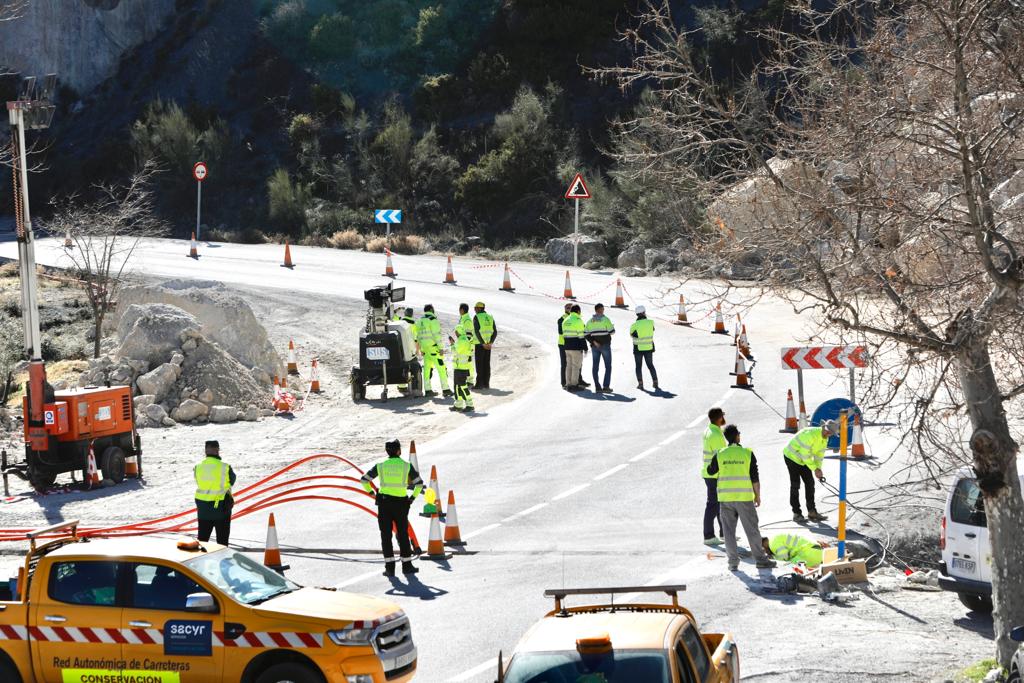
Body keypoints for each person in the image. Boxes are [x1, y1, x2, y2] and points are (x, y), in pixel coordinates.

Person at [706, 425, 776, 571]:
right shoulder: (747, 453)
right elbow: (754, 477)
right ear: (737, 436)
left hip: (726, 499)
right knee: (752, 529)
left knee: (728, 532)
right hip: (744, 498)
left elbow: (710, 471)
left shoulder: (720, 454)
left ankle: (732, 562)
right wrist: (757, 495)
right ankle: (761, 560)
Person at [360, 439, 424, 576]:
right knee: (403, 534)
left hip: (384, 503)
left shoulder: (381, 466)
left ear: (387, 451)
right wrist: (411, 498)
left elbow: (364, 480)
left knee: (386, 536)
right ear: (399, 451)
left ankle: (389, 569)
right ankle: (407, 566)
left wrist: (372, 494)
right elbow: (419, 485)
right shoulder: (406, 466)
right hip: (401, 504)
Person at [783, 420, 837, 523]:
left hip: (803, 460)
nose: (830, 435)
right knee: (795, 484)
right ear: (824, 429)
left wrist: (818, 469)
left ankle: (812, 512)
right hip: (791, 457)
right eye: (829, 433)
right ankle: (796, 513)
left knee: (810, 483)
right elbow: (804, 454)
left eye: (831, 434)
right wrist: (814, 468)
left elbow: (819, 456)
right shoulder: (810, 435)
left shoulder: (824, 439)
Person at [194, 440, 236, 546]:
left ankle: (199, 561)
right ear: (218, 450)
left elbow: (198, 481)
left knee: (203, 542)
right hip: (221, 509)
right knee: (222, 543)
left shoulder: (197, 467)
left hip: (203, 509)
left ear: (205, 451)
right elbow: (232, 481)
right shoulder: (225, 467)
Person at [701, 408, 727, 547]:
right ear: (719, 418)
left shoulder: (710, 430)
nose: (724, 418)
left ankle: (724, 533)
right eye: (722, 416)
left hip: (709, 473)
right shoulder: (716, 435)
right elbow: (720, 457)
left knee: (719, 504)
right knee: (713, 505)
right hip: (714, 475)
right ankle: (709, 535)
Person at [415, 304, 452, 398]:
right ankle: (446, 389)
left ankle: (428, 390)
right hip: (433, 348)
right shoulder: (433, 320)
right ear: (431, 310)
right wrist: (440, 348)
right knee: (441, 369)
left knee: (427, 370)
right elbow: (437, 336)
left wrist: (419, 349)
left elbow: (417, 336)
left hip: (425, 349)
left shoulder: (419, 321)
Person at [585, 303, 615, 392]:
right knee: (608, 366)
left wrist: (593, 342)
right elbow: (612, 332)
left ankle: (597, 387)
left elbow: (586, 334)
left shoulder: (590, 321)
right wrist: (612, 327)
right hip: (605, 345)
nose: (603, 310)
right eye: (603, 309)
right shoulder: (605, 320)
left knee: (595, 366)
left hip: (595, 346)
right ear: (600, 310)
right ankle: (606, 387)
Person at [629, 306, 658, 390]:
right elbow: (652, 330)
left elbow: (631, 334)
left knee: (638, 366)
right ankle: (655, 382)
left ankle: (640, 384)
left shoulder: (634, 325)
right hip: (649, 347)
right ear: (644, 312)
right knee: (650, 365)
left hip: (638, 348)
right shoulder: (651, 322)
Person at [762, 533, 827, 568]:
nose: (766, 553)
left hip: (809, 554)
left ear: (763, 545)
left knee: (789, 566)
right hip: (815, 550)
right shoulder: (775, 538)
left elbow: (784, 560)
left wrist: (773, 559)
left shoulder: (773, 545)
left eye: (764, 550)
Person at [450, 325, 475, 413]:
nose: (455, 333)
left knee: (462, 386)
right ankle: (458, 404)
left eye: (456, 331)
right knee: (457, 386)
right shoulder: (464, 340)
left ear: (459, 331)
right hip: (460, 367)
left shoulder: (461, 341)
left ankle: (470, 404)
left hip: (460, 368)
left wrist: (452, 344)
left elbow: (455, 353)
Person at [562, 304, 587, 391]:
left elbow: (564, 334)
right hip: (576, 347)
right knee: (576, 366)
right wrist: (585, 347)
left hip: (567, 347)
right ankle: (574, 385)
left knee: (568, 366)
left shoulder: (565, 320)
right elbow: (581, 336)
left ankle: (568, 384)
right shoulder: (578, 320)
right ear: (578, 311)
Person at [473, 301, 497, 389]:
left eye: (475, 308)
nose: (475, 310)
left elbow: (476, 331)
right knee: (486, 364)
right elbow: (495, 332)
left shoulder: (477, 317)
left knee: (479, 365)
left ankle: (479, 384)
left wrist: (482, 343)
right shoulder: (490, 317)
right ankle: (486, 384)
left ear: (479, 308)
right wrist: (490, 342)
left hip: (480, 344)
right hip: (488, 345)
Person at [556, 303, 572, 387]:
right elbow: (560, 332)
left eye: (571, 308)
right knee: (564, 364)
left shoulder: (573, 318)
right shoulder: (562, 319)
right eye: (568, 308)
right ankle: (563, 382)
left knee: (571, 363)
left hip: (569, 343)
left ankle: (571, 381)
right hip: (563, 344)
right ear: (565, 309)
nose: (570, 309)